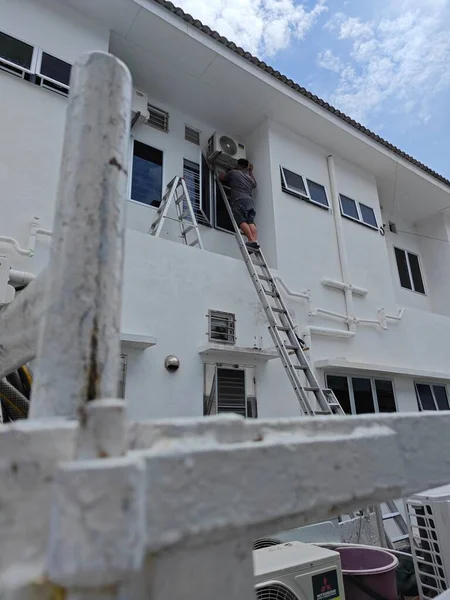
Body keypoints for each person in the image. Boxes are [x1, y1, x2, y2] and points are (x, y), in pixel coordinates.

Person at [219, 159, 258, 249]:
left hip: (239, 200)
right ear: (247, 167)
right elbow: (254, 184)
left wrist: (224, 172)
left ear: (238, 165)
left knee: (241, 221)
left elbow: (221, 178)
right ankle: (254, 241)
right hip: (250, 202)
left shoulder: (234, 173)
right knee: (250, 222)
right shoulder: (249, 178)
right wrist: (250, 171)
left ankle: (251, 240)